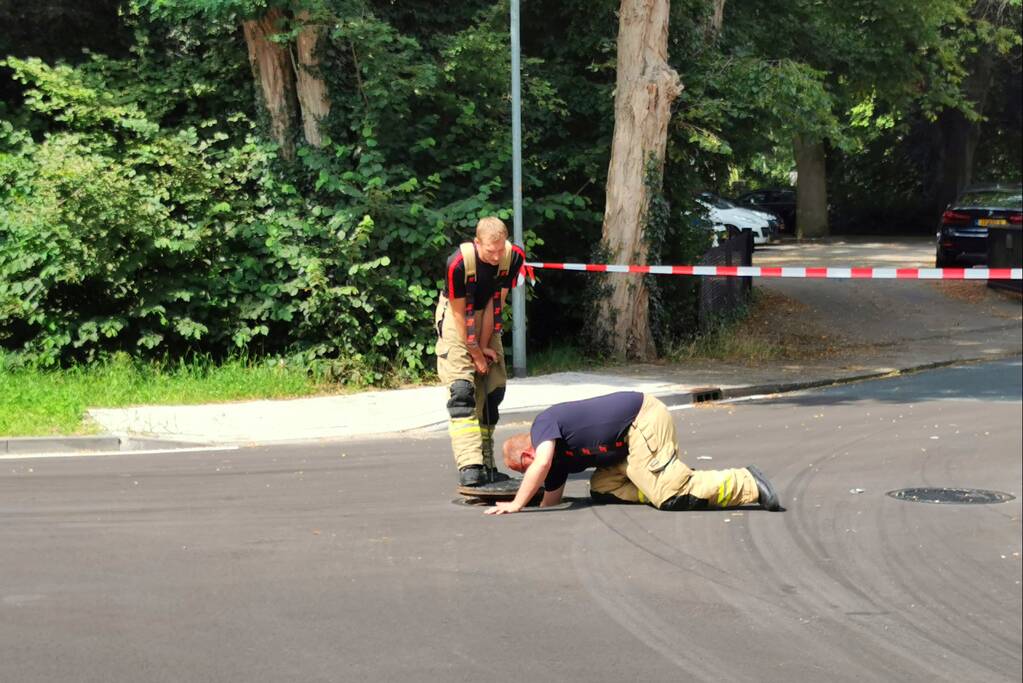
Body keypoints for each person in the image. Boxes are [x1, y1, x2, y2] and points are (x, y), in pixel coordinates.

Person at [484, 391, 782, 515]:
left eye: (522, 471)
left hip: (642, 418)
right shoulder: (558, 463)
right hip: (627, 447)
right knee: (602, 488)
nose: (527, 475)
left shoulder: (543, 425)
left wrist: (515, 504)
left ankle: (746, 483)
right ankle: (656, 481)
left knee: (668, 495)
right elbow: (551, 502)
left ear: (526, 458)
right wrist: (534, 507)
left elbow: (543, 461)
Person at [437, 216, 526, 487]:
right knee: (463, 392)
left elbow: (494, 301)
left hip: (486, 317)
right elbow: (459, 313)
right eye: (490, 250)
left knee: (492, 391)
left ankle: (487, 463)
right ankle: (470, 465)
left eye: (501, 250)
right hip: (458, 319)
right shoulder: (459, 264)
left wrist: (486, 346)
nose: (496, 256)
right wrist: (475, 353)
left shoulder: (512, 258)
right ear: (477, 243)